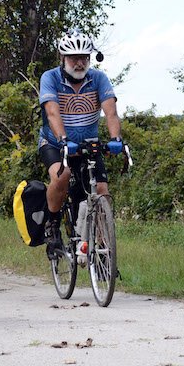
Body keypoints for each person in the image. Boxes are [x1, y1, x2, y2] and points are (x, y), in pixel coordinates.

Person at [38, 29, 124, 261]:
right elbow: (52, 112)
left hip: (88, 144)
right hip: (55, 142)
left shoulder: (98, 79)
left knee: (102, 191)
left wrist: (116, 139)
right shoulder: (50, 78)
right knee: (62, 175)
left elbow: (111, 111)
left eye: (84, 57)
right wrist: (64, 140)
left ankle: (104, 250)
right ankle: (53, 226)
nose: (79, 62)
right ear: (62, 58)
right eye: (73, 57)